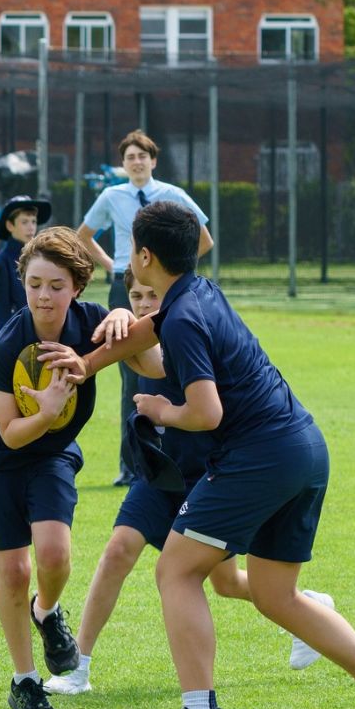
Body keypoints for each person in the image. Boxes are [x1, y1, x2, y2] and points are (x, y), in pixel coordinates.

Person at [71, 202, 355, 709]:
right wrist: (86, 364)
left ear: (143, 255)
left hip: (259, 457)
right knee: (273, 593)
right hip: (305, 449)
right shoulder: (198, 294)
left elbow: (206, 412)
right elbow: (148, 331)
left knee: (175, 571)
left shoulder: (186, 316)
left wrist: (159, 412)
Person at [46, 269, 332, 696]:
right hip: (162, 471)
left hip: (208, 475)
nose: (143, 303)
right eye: (135, 297)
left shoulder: (185, 331)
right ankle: (78, 667)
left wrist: (127, 332)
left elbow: (155, 363)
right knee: (118, 549)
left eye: (150, 296)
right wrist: (121, 315)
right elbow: (135, 351)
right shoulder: (147, 333)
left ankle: (307, 608)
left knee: (226, 582)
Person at [0, 226, 107, 709]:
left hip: (51, 456)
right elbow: (8, 432)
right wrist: (47, 411)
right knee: (14, 571)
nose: (43, 296)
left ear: (77, 287)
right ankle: (25, 682)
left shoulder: (94, 324)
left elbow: (142, 345)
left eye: (56, 286)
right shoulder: (6, 345)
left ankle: (46, 612)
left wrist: (131, 316)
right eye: (34, 284)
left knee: (53, 554)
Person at [75, 130, 212, 486]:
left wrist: (171, 269)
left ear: (154, 161)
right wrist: (113, 267)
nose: (136, 162)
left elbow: (205, 239)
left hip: (165, 287)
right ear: (123, 164)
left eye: (142, 156)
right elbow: (83, 236)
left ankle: (181, 457)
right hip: (126, 289)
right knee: (131, 378)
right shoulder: (112, 195)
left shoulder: (172, 196)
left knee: (176, 370)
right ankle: (132, 465)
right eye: (130, 157)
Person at [0, 194, 52, 335]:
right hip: (18, 336)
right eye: (24, 222)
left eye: (33, 222)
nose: (31, 227)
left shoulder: (40, 257)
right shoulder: (2, 262)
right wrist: (2, 345)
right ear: (10, 225)